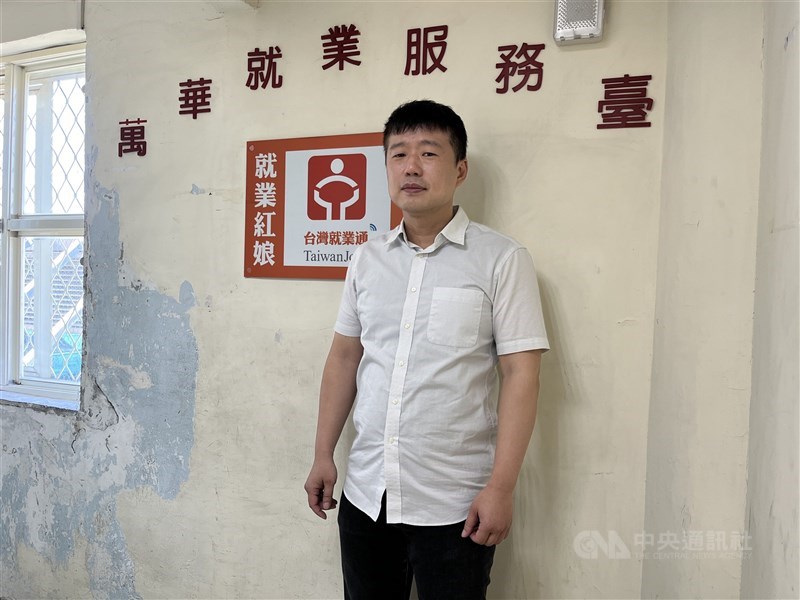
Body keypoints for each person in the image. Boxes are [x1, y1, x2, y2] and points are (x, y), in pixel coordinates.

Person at [304, 99, 549, 600]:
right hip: (367, 494)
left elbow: (521, 375)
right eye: (398, 154)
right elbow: (345, 358)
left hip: (457, 505)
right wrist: (323, 454)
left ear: (460, 170)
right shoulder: (367, 260)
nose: (411, 167)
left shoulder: (502, 259)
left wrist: (501, 488)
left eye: (429, 153)